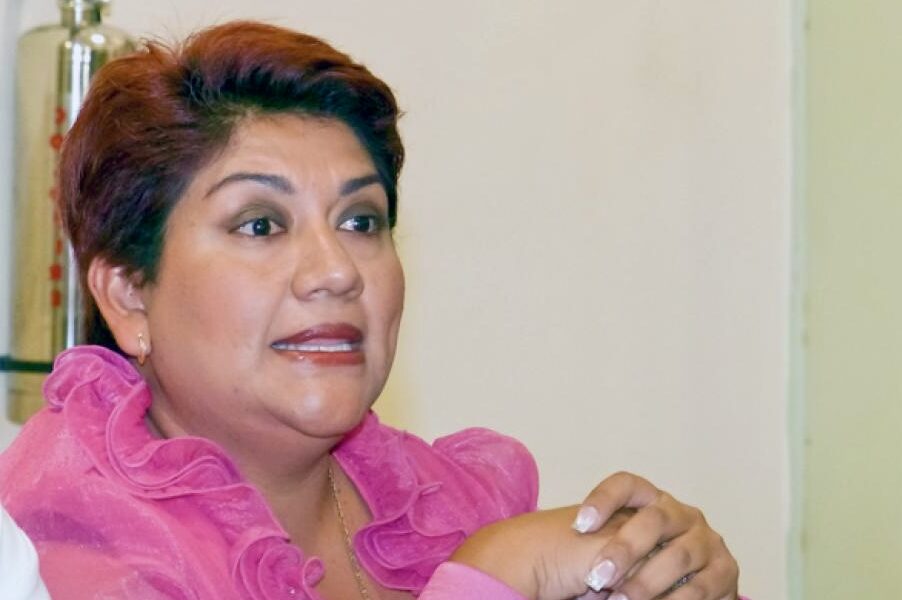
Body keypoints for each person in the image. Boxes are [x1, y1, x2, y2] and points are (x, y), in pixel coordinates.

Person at [0, 21, 742, 600]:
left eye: (361, 221)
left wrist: (670, 573)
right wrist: (490, 579)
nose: (337, 272)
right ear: (128, 294)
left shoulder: (432, 503)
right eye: (260, 225)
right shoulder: (69, 536)